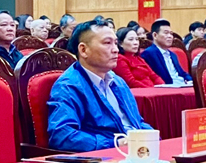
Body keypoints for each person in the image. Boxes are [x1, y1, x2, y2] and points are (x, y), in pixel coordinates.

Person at [47, 18, 152, 151]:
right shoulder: (68, 86)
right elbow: (63, 135)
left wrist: (152, 137)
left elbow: (137, 122)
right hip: (106, 156)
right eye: (107, 43)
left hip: (136, 151)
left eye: (115, 43)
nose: (116, 50)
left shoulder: (118, 82)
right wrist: (115, 143)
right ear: (83, 50)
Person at [141, 19, 193, 85]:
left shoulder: (173, 55)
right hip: (167, 87)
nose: (170, 36)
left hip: (181, 85)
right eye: (166, 33)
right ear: (155, 35)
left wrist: (190, 80)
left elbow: (182, 73)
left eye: (171, 33)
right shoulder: (148, 54)